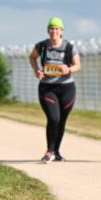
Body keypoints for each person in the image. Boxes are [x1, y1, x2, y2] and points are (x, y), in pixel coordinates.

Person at [28, 17, 80, 163]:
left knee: (61, 121)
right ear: (48, 30)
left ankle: (56, 151)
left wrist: (68, 68)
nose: (54, 31)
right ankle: (49, 151)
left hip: (67, 89)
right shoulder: (42, 46)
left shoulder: (69, 47)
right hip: (47, 88)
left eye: (57, 28)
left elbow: (78, 65)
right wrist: (37, 70)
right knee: (54, 118)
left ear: (61, 31)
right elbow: (32, 57)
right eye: (51, 28)